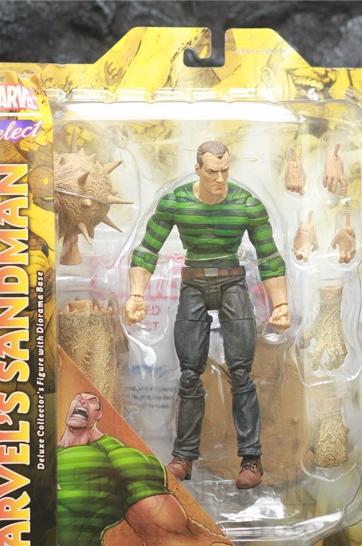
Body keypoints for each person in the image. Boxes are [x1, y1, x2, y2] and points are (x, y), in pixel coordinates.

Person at [125, 141, 291, 489]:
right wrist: (136, 293)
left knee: (241, 373)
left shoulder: (246, 204)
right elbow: (148, 248)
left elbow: (269, 256)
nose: (220, 178)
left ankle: (251, 459)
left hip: (232, 282)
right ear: (198, 168)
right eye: (213, 171)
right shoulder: (176, 202)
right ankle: (183, 457)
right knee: (189, 375)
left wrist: (281, 304)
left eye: (225, 170)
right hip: (194, 284)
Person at [58, 391, 271, 546]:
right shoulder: (43, 448)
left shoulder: (117, 457)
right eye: (78, 398)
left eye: (91, 401)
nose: (82, 402)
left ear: (98, 414)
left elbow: (168, 534)